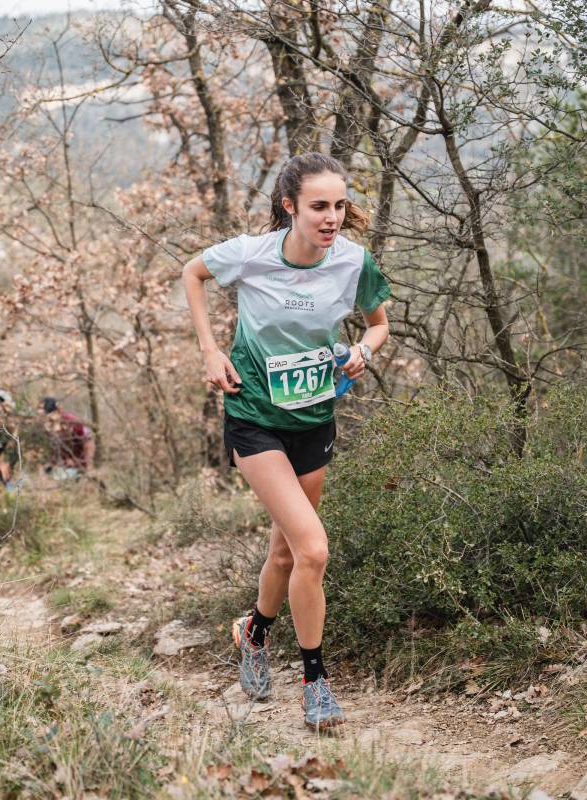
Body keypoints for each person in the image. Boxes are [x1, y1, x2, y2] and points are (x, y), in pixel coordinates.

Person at [181, 152, 390, 731]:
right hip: (254, 417)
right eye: (319, 206)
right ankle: (315, 681)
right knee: (314, 550)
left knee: (285, 553)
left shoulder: (354, 261)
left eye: (339, 205)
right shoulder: (250, 254)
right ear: (289, 206)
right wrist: (209, 349)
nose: (331, 217)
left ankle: (253, 631)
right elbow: (191, 273)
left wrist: (363, 352)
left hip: (314, 417)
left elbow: (379, 323)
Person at [41, 397, 95, 479]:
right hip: (60, 465)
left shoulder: (72, 421)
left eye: (50, 418)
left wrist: (89, 466)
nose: (48, 420)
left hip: (77, 465)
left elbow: (88, 441)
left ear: (57, 411)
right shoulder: (47, 426)